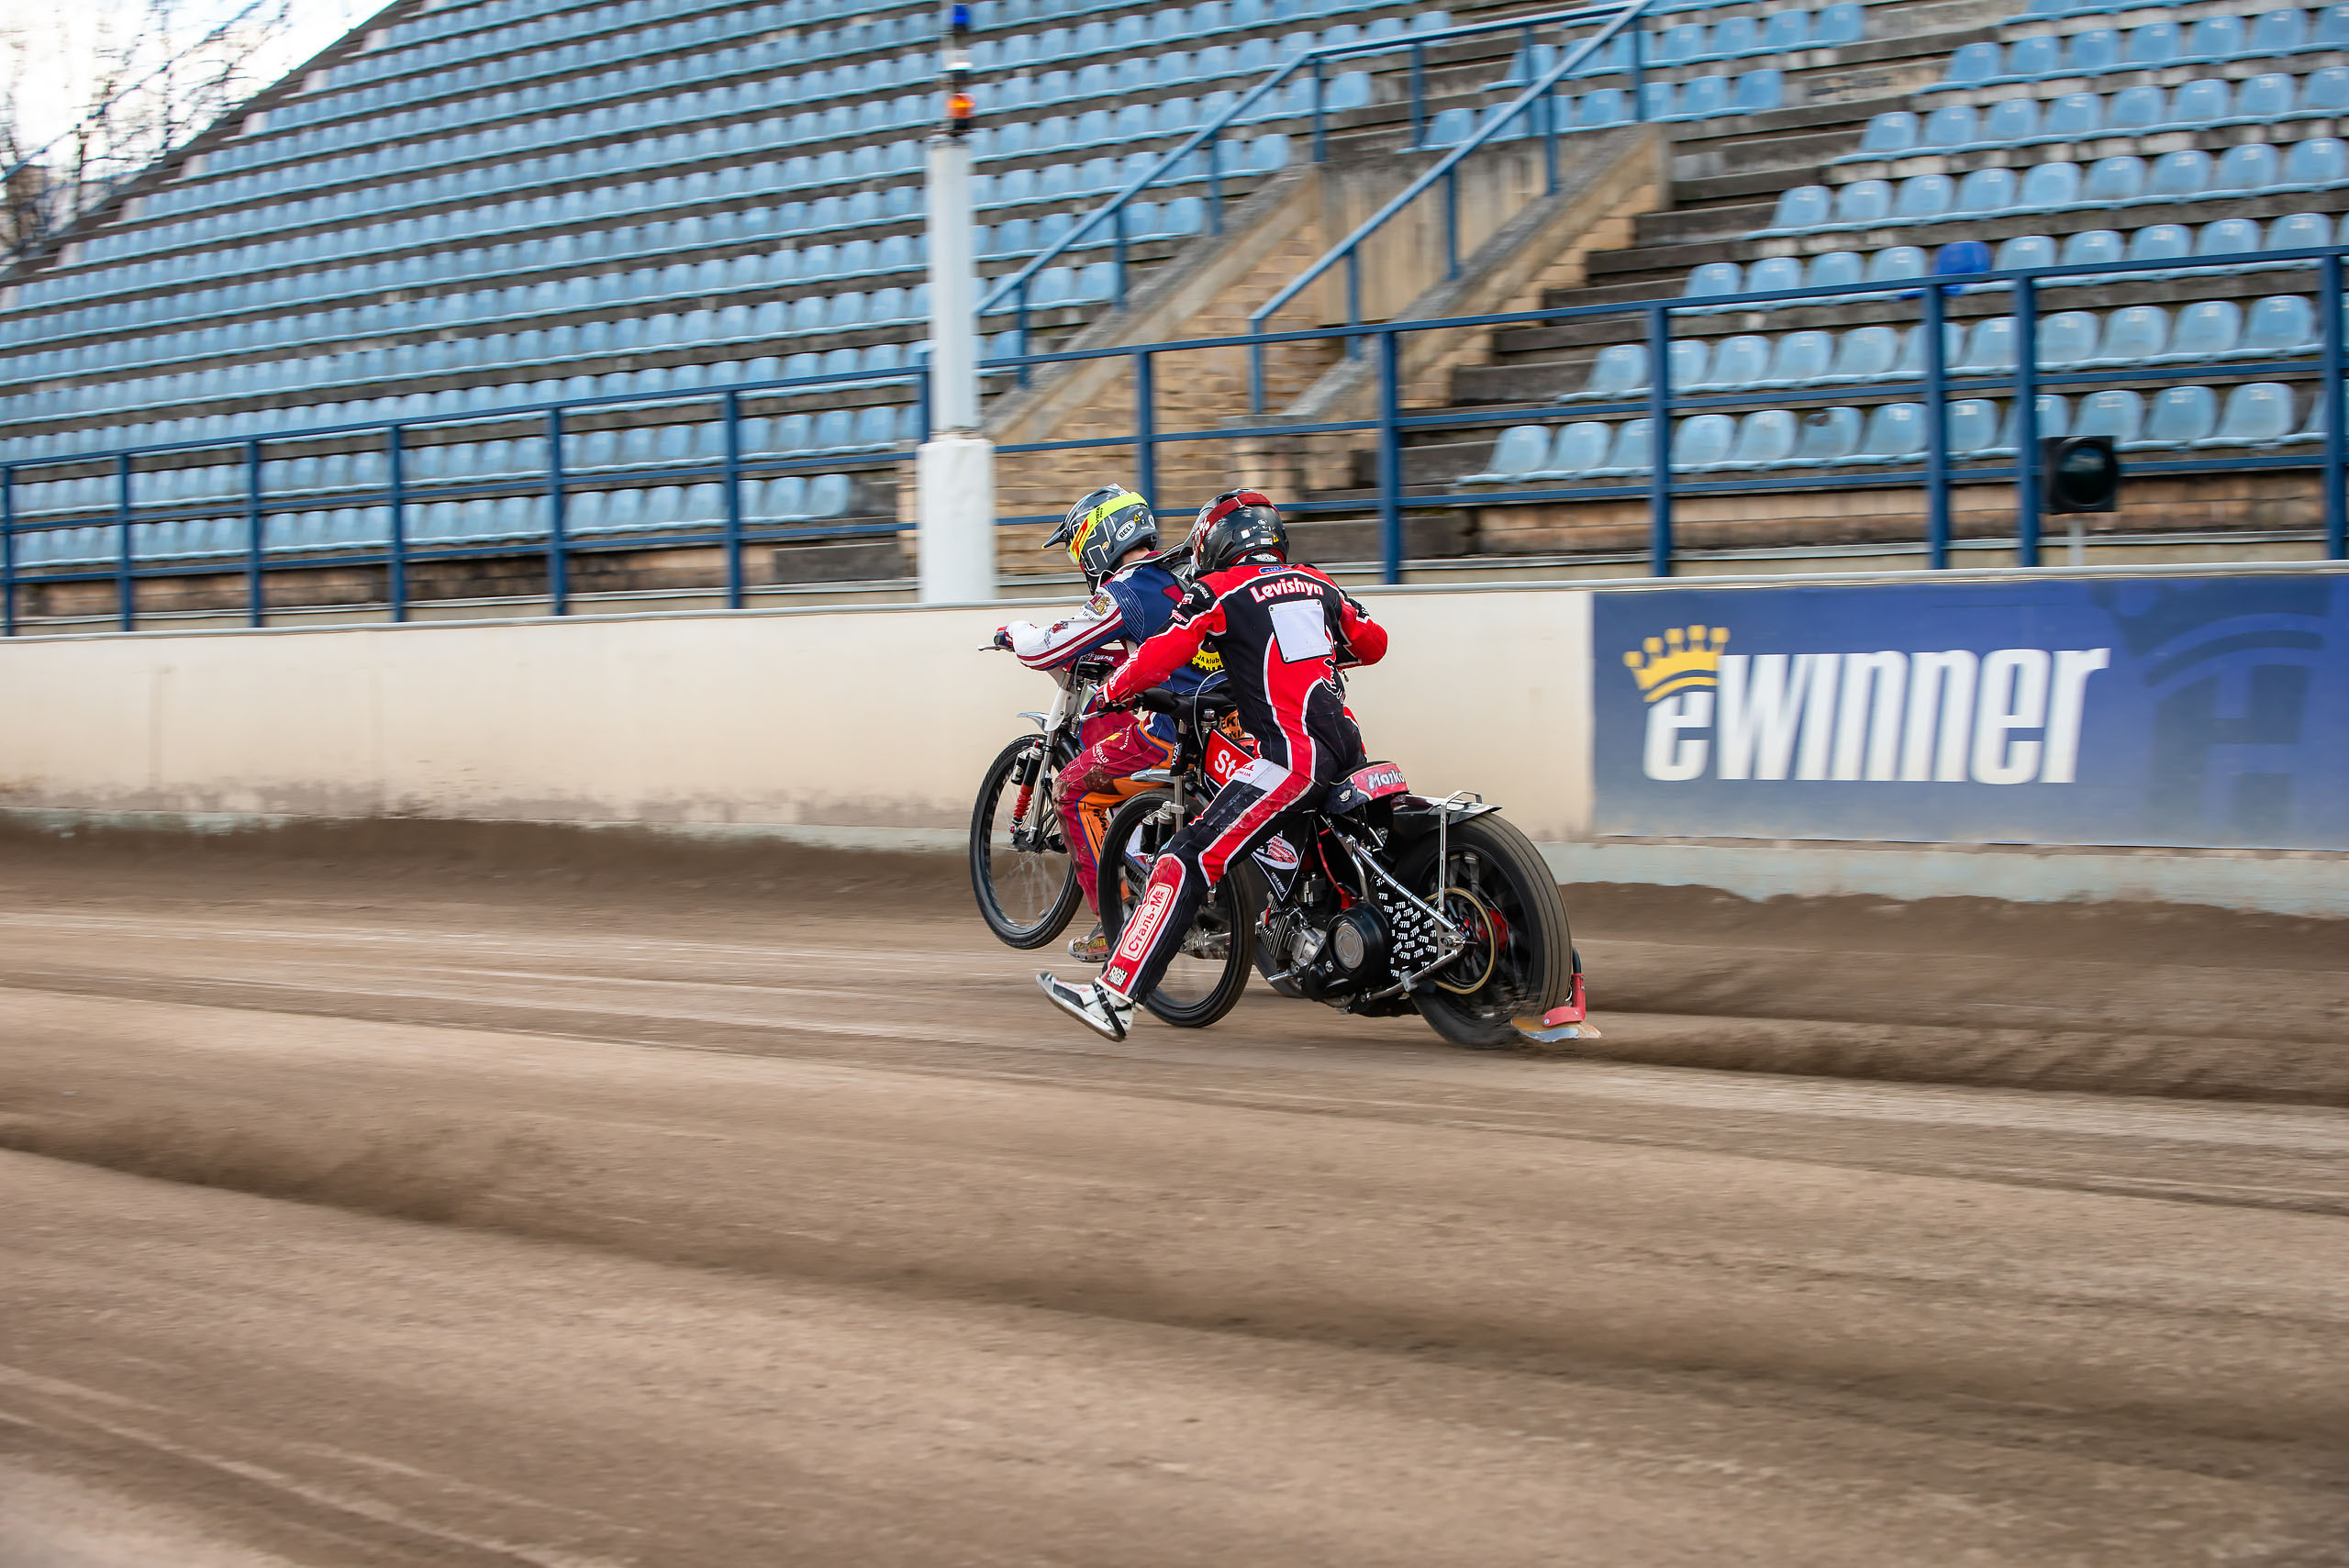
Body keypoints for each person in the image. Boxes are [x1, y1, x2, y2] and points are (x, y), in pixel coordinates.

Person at [1038, 488, 1387, 1040]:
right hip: (1351, 746)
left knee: (1186, 856)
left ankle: (1113, 997)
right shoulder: (1317, 583)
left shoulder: (1218, 590)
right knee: (1337, 856)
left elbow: (1157, 657)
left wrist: (1110, 693)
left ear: (1217, 542)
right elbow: (1373, 645)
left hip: (1291, 759)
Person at [994, 484, 1218, 962]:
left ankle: (1113, 921)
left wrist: (1015, 634)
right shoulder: (1176, 580)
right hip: (1226, 725)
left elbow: (1051, 645)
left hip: (1173, 732)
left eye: (1080, 549)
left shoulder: (1125, 589)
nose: (1082, 565)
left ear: (1101, 540)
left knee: (1073, 787)